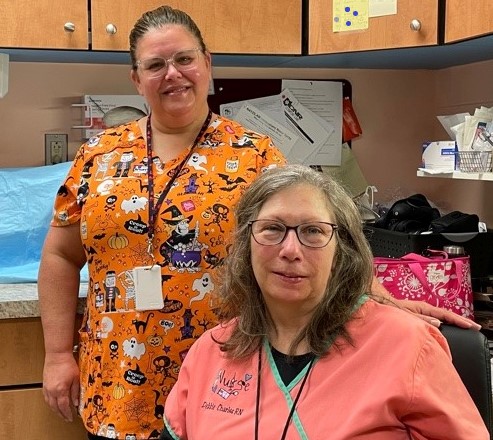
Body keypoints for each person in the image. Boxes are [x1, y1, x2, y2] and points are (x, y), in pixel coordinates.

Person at [38, 5, 479, 440]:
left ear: (207, 63)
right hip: (120, 380)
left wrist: (389, 301)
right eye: (155, 65)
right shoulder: (98, 155)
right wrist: (57, 354)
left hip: (229, 379)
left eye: (184, 59)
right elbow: (60, 253)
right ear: (136, 78)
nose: (172, 73)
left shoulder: (254, 155)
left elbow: (313, 239)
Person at [160, 164, 489, 440]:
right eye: (272, 229)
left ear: (341, 250)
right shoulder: (210, 352)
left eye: (313, 231)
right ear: (247, 244)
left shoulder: (406, 346)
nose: (290, 250)